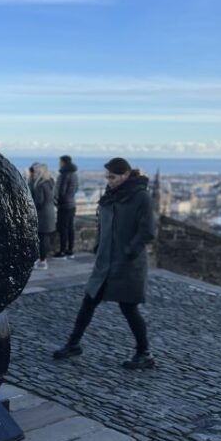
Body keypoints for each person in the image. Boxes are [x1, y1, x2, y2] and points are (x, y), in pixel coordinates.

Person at [53, 157, 156, 369]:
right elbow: (103, 223)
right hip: (105, 262)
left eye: (113, 177)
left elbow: (147, 232)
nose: (109, 181)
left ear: (126, 175)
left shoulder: (141, 197)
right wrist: (99, 246)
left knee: (129, 309)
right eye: (107, 177)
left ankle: (144, 352)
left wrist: (129, 251)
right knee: (88, 302)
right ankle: (73, 344)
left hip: (128, 264)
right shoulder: (111, 195)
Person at [29, 162, 56, 270]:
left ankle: (42, 261)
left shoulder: (40, 185)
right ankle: (43, 259)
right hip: (50, 213)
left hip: (42, 215)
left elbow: (39, 202)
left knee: (42, 238)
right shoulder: (50, 182)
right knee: (45, 238)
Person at [53, 155, 79, 258]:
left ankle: (62, 251)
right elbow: (76, 188)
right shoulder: (74, 174)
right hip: (72, 204)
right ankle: (70, 250)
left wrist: (59, 201)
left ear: (63, 162)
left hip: (64, 205)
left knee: (62, 228)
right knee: (70, 227)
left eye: (60, 161)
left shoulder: (64, 174)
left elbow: (61, 190)